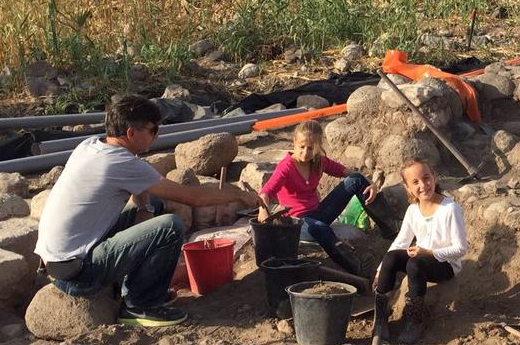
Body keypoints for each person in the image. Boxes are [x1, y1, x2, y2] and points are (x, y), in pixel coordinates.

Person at [35, 95, 266, 327]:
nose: (157, 135)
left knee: (154, 206)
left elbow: (142, 190)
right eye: (153, 130)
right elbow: (192, 198)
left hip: (59, 262)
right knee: (170, 226)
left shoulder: (91, 146)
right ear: (131, 133)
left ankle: (136, 286)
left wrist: (145, 208)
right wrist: (239, 195)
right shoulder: (121, 164)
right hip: (78, 274)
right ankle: (139, 304)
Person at [259, 120, 377, 275]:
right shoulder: (286, 166)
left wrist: (371, 183)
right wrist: (263, 210)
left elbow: (344, 172)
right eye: (302, 147)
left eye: (311, 148)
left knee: (355, 180)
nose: (305, 153)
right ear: (294, 142)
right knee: (321, 228)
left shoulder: (318, 161)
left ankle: (389, 229)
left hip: (319, 213)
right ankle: (357, 268)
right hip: (299, 223)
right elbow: (266, 192)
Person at [371, 160, 467, 345]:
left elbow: (461, 248)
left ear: (434, 177)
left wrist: (429, 252)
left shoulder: (450, 209)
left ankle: (415, 320)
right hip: (420, 256)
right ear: (407, 187)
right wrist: (379, 270)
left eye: (426, 178)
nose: (423, 186)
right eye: (415, 182)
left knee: (415, 264)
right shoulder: (413, 210)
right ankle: (381, 318)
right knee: (391, 258)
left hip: (444, 263)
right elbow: (401, 241)